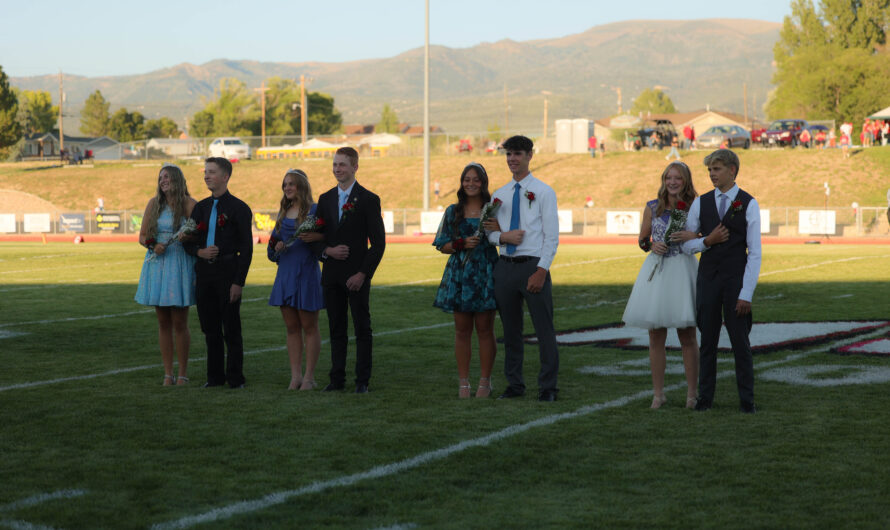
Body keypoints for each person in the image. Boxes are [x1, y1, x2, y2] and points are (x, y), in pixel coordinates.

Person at [682, 149, 762, 413]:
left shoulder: (748, 203)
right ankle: (705, 398)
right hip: (708, 280)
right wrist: (707, 241)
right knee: (708, 342)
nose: (712, 174)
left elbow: (755, 252)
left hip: (735, 281)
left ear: (732, 170)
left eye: (716, 169)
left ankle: (747, 400)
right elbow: (686, 245)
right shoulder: (700, 202)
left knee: (740, 342)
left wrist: (746, 293)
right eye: (709, 170)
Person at [483, 135, 560, 402]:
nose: (512, 159)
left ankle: (548, 387)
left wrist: (541, 270)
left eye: (517, 153)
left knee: (543, 330)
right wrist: (503, 238)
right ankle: (514, 385)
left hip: (532, 265)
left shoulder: (544, 192)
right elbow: (487, 231)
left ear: (530, 155)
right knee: (510, 331)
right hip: (505, 267)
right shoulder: (498, 195)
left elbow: (552, 237)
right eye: (508, 154)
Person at [622, 161, 700, 409]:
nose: (673, 182)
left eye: (678, 178)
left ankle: (692, 393)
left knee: (687, 334)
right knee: (655, 334)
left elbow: (704, 236)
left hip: (682, 268)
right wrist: (651, 245)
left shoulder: (694, 207)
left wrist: (693, 236)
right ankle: (658, 393)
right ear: (663, 180)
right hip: (657, 271)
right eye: (668, 178)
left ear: (686, 180)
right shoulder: (652, 207)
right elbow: (642, 240)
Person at [316, 147, 386, 394]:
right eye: (335, 164)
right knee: (336, 328)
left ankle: (362, 381)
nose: (337, 169)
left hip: (356, 276)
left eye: (342, 165)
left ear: (355, 167)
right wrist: (327, 252)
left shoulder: (368, 199)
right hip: (331, 276)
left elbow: (378, 243)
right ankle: (336, 379)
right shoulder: (324, 199)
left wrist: (362, 274)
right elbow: (316, 239)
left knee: (362, 328)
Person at [184, 157, 253, 389]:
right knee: (210, 328)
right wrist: (199, 252)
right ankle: (214, 378)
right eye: (205, 171)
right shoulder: (200, 208)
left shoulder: (239, 208)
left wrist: (238, 282)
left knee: (231, 328)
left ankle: (235, 378)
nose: (206, 175)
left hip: (227, 273)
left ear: (225, 176)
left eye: (211, 172)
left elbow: (247, 248)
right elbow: (186, 241)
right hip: (204, 275)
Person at [433, 162, 499, 398]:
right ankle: (463, 382)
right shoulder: (453, 210)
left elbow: (502, 239)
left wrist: (497, 230)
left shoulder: (492, 210)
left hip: (485, 273)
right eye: (466, 179)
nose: (471, 184)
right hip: (460, 274)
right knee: (462, 330)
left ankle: (484, 381)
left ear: (483, 183)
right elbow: (442, 245)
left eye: (476, 179)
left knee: (485, 329)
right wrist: (461, 244)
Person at [135, 164, 198, 386]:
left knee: (180, 321)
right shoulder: (154, 204)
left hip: (179, 262)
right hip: (157, 263)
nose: (163, 180)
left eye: (167, 177)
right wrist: (153, 245)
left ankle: (182, 373)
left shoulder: (190, 204)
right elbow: (142, 236)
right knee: (162, 321)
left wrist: (187, 237)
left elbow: (200, 232)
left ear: (178, 179)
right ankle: (167, 373)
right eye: (161, 177)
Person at [267, 169, 325, 390]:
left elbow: (328, 236)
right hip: (286, 275)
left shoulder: (315, 210)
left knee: (309, 326)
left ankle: (309, 377)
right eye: (285, 185)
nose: (287, 188)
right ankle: (296, 377)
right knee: (291, 327)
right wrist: (277, 247)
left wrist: (316, 236)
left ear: (301, 185)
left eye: (291, 184)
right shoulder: (283, 213)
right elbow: (272, 249)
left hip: (307, 273)